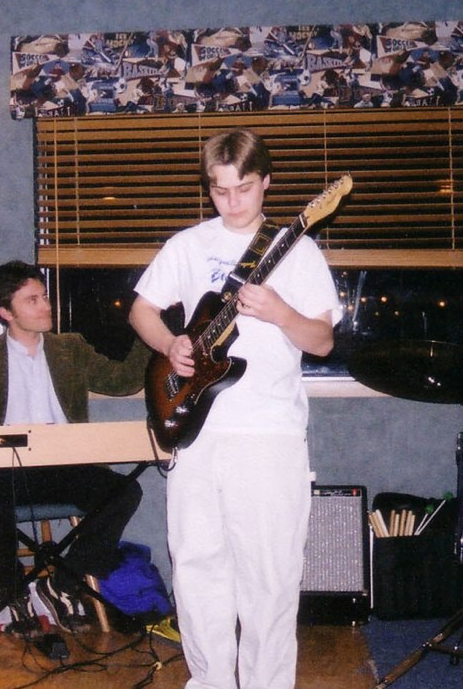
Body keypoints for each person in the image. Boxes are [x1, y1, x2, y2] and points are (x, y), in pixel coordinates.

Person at [129, 128, 342, 689]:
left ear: (266, 182)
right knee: (197, 570)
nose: (232, 202)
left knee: (269, 579)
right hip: (194, 433)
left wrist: (277, 312)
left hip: (266, 433)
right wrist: (168, 343)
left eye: (243, 188)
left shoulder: (298, 249)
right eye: (219, 190)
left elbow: (321, 341)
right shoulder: (188, 244)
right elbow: (143, 311)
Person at [0, 260, 149, 636]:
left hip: (67, 468)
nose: (46, 305)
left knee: (125, 491)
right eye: (32, 300)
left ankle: (62, 582)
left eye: (44, 296)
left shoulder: (71, 348)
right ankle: (14, 594)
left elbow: (124, 380)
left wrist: (149, 330)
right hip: (5, 473)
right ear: (5, 312)